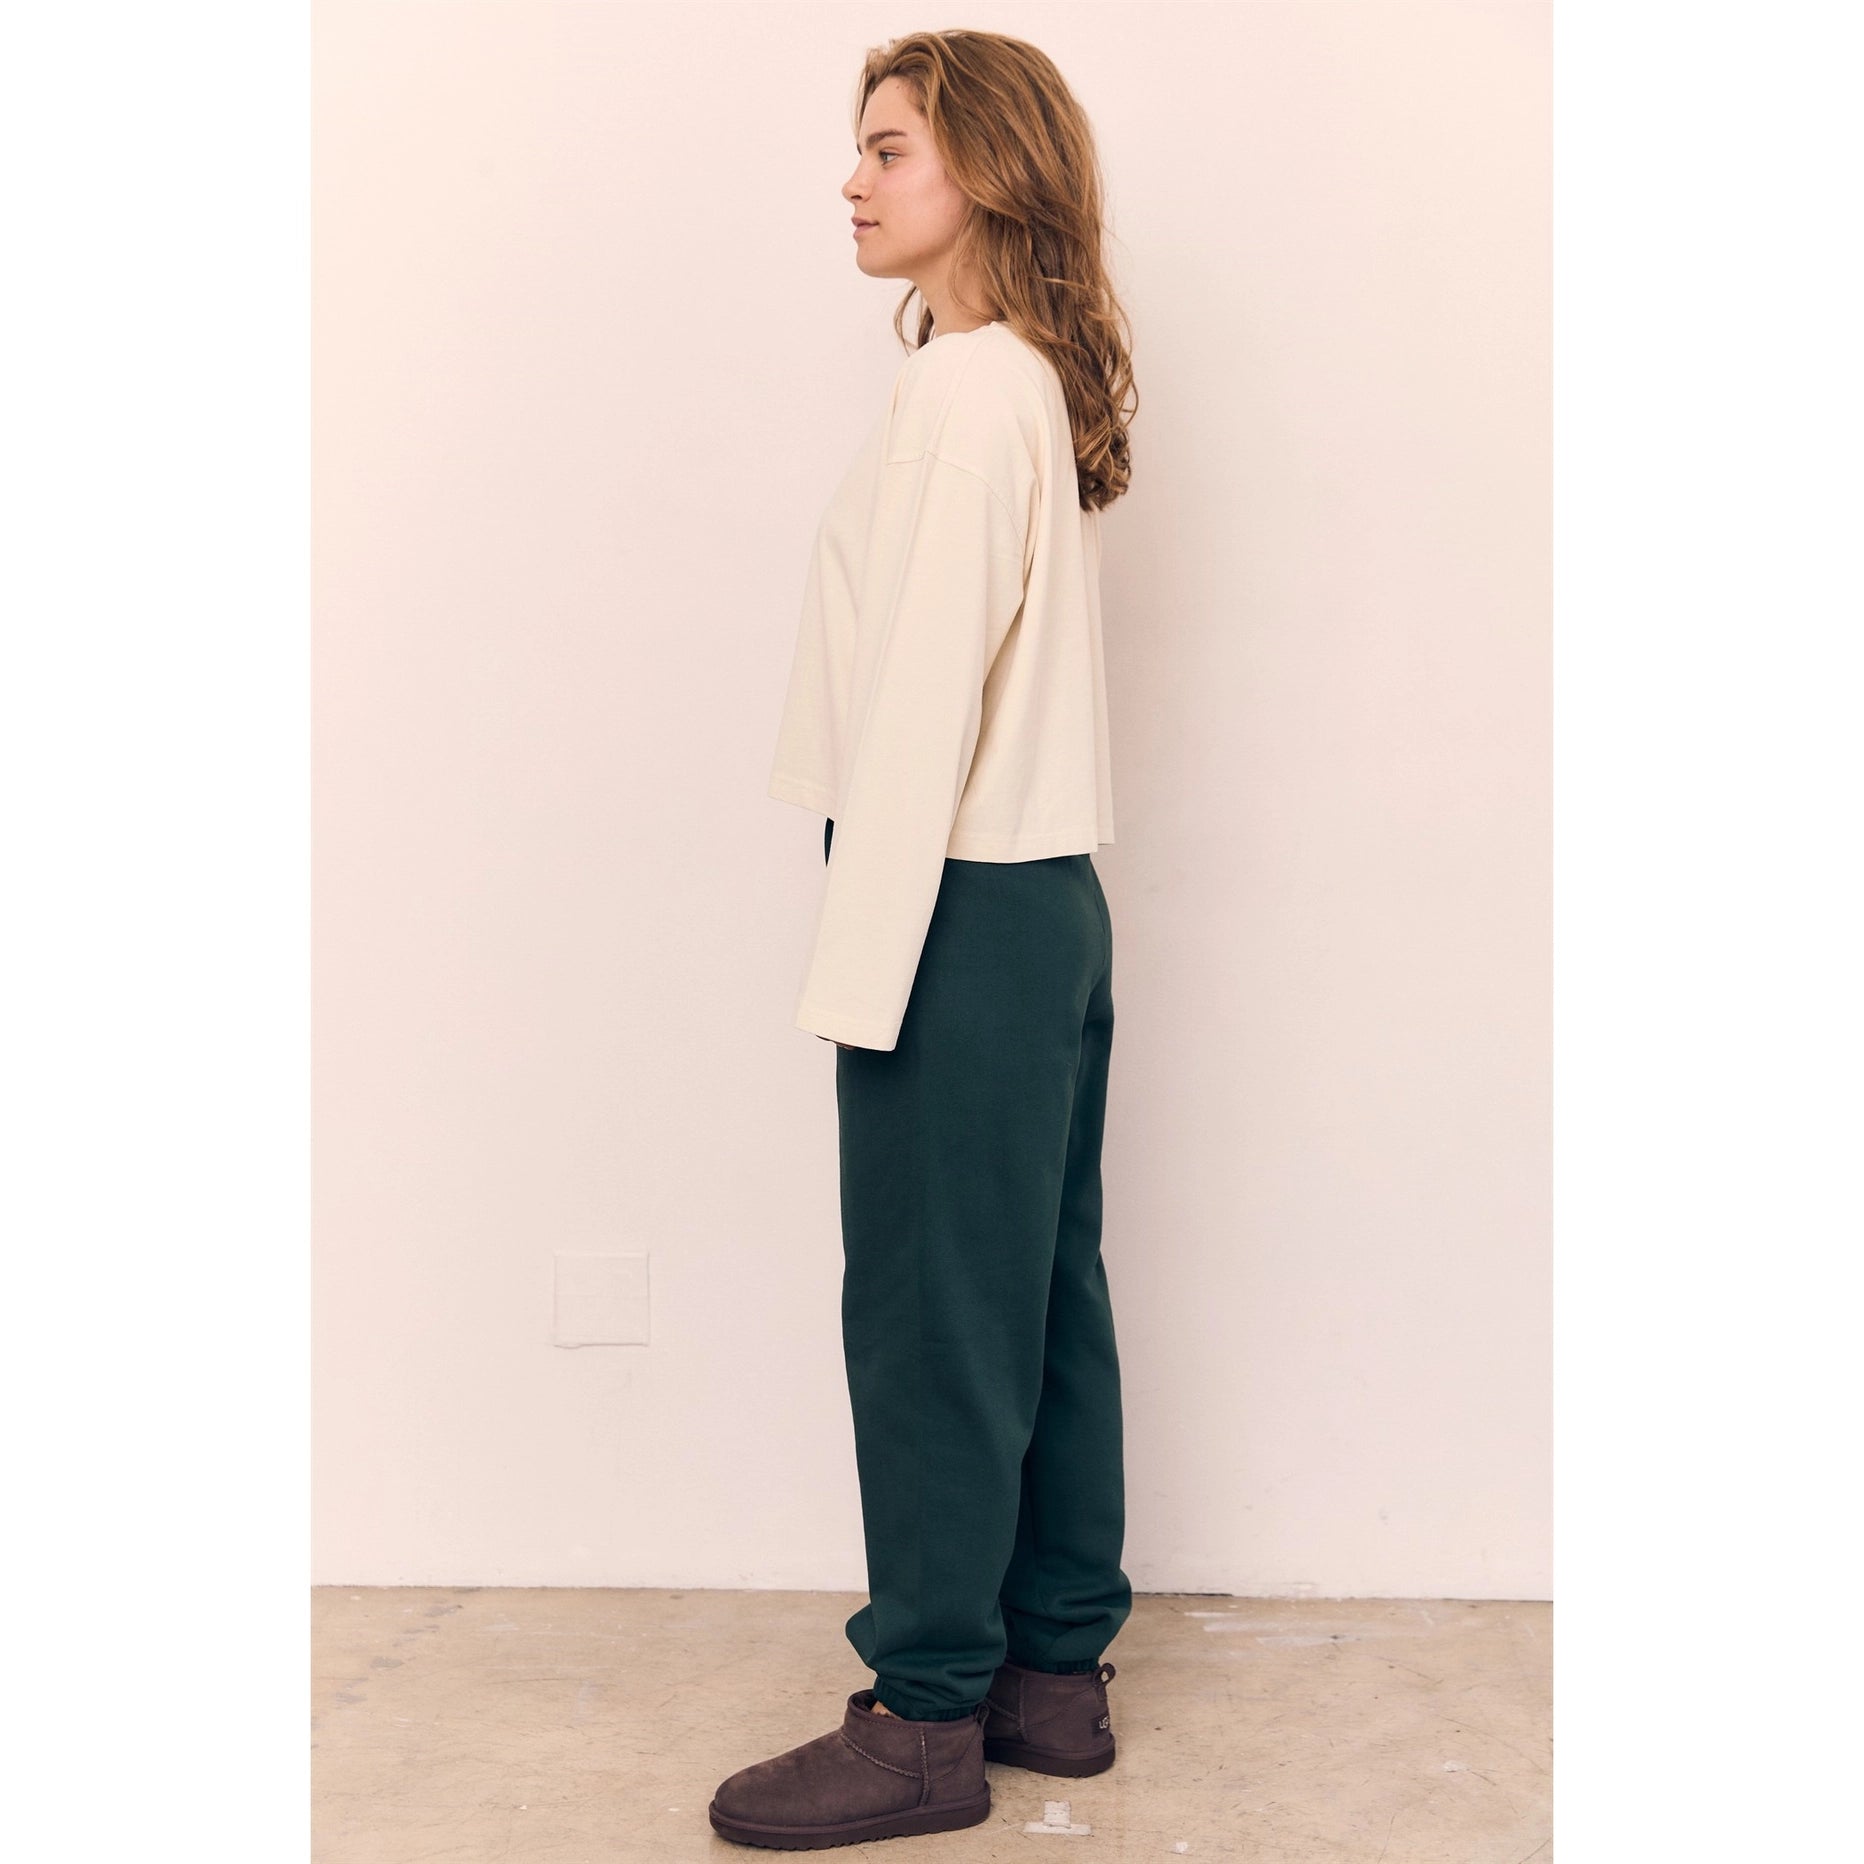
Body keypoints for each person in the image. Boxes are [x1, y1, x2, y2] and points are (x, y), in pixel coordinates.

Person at [710, 28, 1139, 1850]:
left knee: (928, 1310)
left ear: (988, 167)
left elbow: (915, 713)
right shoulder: (1014, 378)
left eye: (890, 147)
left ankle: (926, 1715)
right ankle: (1050, 1673)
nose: (855, 178)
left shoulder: (967, 390)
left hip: (950, 889)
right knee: (1037, 1296)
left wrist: (856, 968)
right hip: (1042, 898)